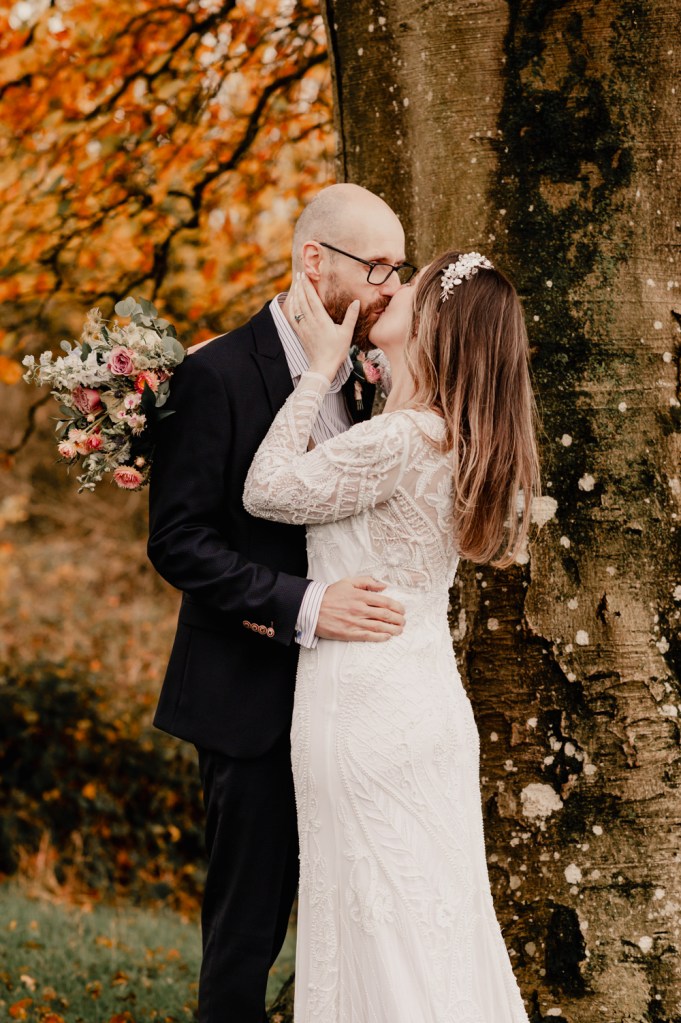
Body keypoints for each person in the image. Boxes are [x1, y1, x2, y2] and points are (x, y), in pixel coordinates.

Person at [243, 251, 541, 1022]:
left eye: (410, 283)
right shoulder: (456, 439)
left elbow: (264, 490)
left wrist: (318, 369)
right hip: (425, 704)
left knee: (378, 930)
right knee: (430, 930)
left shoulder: (401, 438)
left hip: (364, 708)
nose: (392, 290)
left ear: (435, 322)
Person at [147, 183, 419, 1023]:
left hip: (353, 703)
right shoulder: (216, 372)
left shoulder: (372, 375)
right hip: (250, 696)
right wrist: (305, 605)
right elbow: (179, 540)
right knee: (247, 932)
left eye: (397, 269)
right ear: (314, 261)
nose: (388, 287)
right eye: (377, 267)